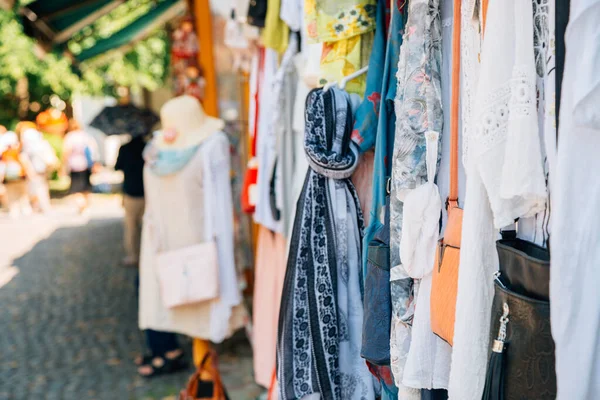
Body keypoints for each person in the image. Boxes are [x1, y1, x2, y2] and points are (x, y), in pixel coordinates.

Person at [115, 135, 146, 267]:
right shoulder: (148, 148)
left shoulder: (125, 148)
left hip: (131, 192)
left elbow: (117, 166)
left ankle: (133, 256)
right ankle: (146, 255)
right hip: (147, 192)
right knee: (147, 226)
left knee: (131, 227)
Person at [17, 122, 58, 213]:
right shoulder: (42, 144)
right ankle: (43, 205)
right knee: (42, 187)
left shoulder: (28, 147)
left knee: (36, 188)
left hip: (34, 169)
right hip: (41, 169)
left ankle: (38, 205)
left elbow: (24, 158)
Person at [62, 120, 99, 213]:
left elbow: (66, 152)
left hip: (74, 165)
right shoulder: (86, 136)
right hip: (86, 164)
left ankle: (81, 205)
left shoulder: (70, 137)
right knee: (86, 186)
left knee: (76, 188)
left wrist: (63, 165)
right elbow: (94, 151)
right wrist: (95, 164)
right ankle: (86, 205)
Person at [0, 131, 34, 218]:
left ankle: (14, 210)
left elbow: (2, 167)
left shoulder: (4, 154)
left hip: (8, 178)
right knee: (23, 194)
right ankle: (25, 208)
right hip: (21, 177)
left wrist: (1, 178)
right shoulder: (19, 152)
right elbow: (25, 163)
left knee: (11, 195)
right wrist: (30, 175)